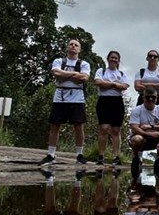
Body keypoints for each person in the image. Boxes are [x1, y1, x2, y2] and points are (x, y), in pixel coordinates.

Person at [39, 37, 90, 168]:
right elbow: (55, 73)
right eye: (71, 44)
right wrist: (74, 74)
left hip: (77, 98)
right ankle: (51, 155)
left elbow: (84, 78)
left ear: (79, 49)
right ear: (67, 47)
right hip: (59, 97)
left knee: (78, 126)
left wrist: (64, 74)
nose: (73, 46)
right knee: (55, 125)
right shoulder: (59, 61)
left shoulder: (84, 64)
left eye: (76, 45)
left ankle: (79, 155)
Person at [94, 50, 130, 166]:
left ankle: (116, 156)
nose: (113, 60)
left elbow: (124, 86)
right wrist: (115, 84)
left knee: (116, 130)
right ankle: (101, 156)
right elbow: (99, 83)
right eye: (112, 57)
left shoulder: (122, 74)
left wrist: (109, 84)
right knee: (103, 128)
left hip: (117, 102)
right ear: (108, 59)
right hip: (104, 101)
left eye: (116, 58)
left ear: (118, 60)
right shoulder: (102, 71)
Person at [129, 86, 159, 178]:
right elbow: (134, 127)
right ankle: (136, 158)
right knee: (136, 139)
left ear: (156, 98)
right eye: (147, 97)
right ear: (143, 98)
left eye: (153, 97)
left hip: (157, 139)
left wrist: (150, 126)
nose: (150, 99)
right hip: (142, 138)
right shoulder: (137, 110)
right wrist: (149, 133)